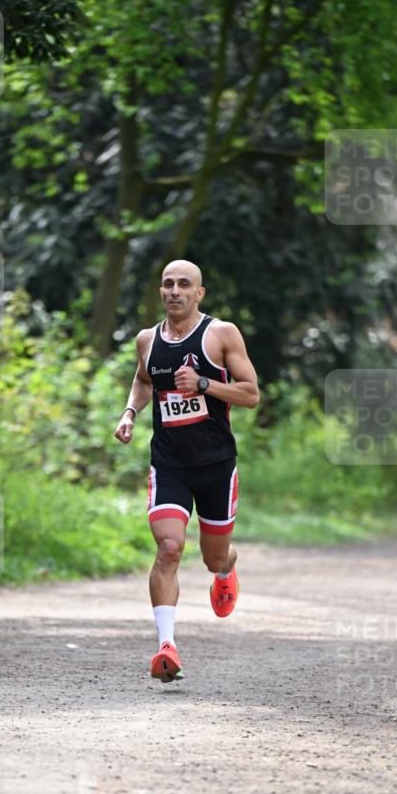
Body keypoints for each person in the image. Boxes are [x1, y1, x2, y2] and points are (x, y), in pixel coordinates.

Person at [114, 259, 260, 682]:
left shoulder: (220, 334)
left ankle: (226, 570)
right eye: (167, 284)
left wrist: (203, 385)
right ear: (160, 292)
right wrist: (129, 413)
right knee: (169, 548)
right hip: (169, 464)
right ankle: (166, 646)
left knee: (213, 555)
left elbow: (250, 394)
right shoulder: (147, 340)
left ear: (200, 293)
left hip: (216, 465)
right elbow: (144, 380)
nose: (174, 291)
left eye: (184, 285)